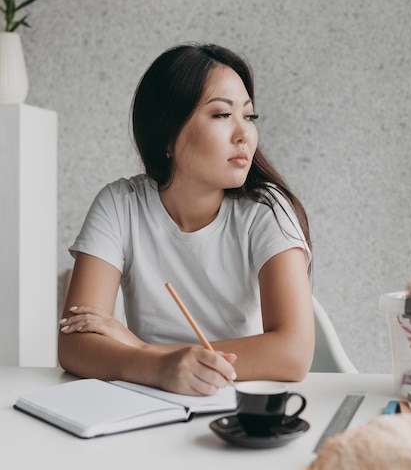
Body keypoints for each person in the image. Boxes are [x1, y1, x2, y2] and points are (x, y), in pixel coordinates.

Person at [58, 43, 314, 396]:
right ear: (167, 133)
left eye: (249, 116)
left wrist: (143, 351)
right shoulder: (120, 204)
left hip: (237, 403)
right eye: (222, 115)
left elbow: (293, 354)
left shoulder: (267, 210)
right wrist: (160, 369)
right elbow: (74, 345)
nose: (244, 134)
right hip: (145, 401)